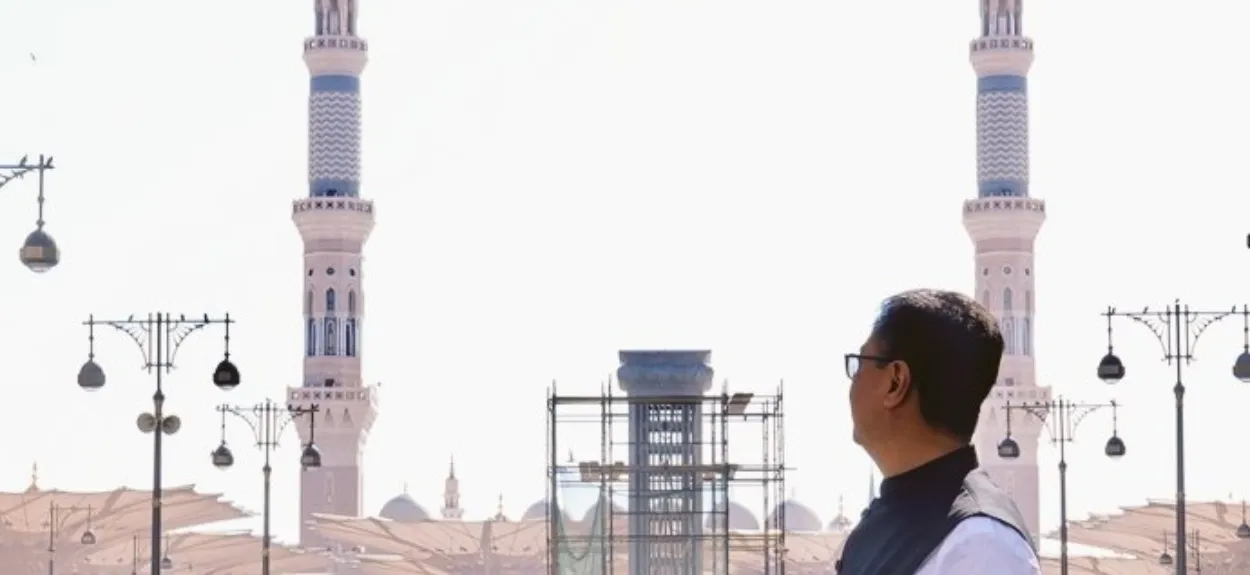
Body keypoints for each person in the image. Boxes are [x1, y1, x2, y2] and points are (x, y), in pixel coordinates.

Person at [835, 289, 1040, 575]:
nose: (853, 381)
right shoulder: (879, 526)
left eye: (859, 364)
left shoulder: (981, 542)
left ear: (896, 382)